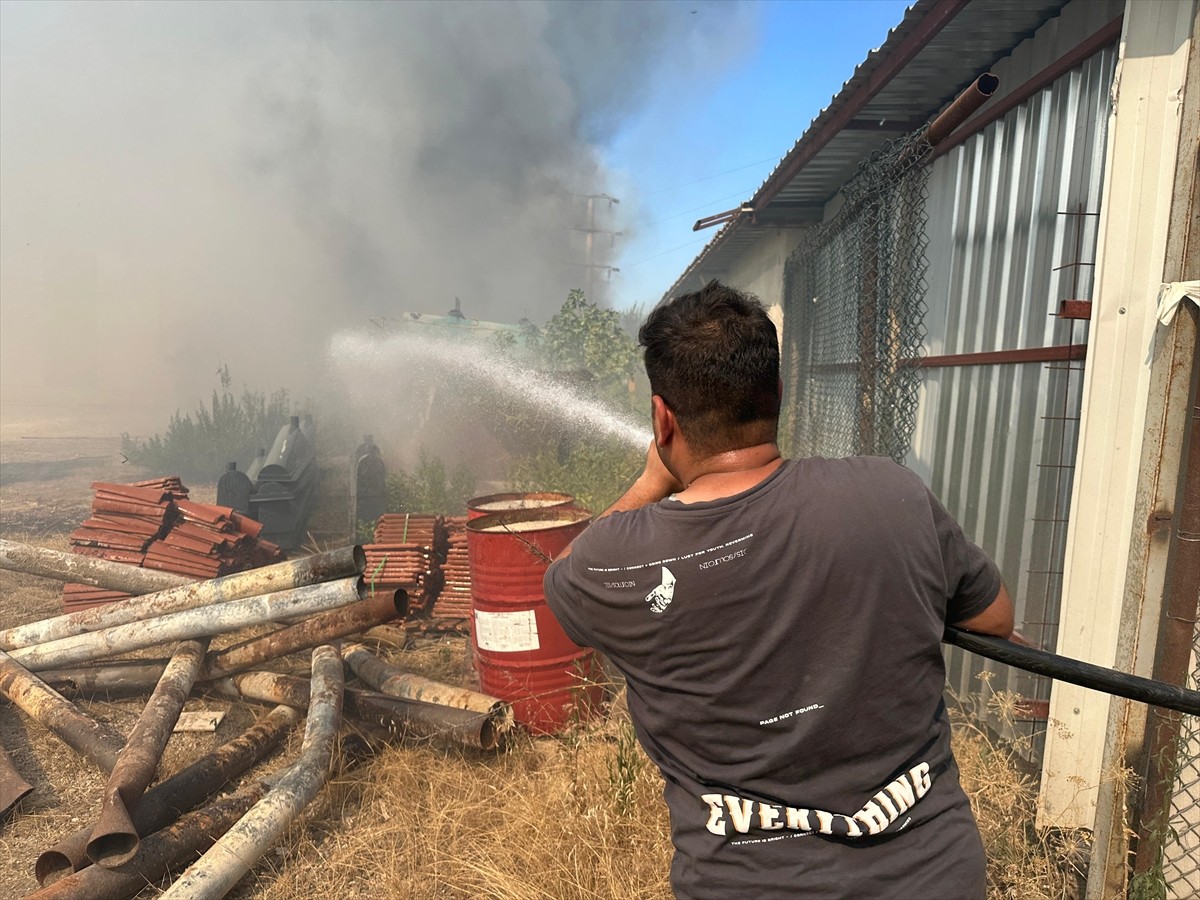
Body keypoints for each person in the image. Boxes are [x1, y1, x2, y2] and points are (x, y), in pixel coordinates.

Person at [543, 280, 1014, 899]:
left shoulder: (617, 559)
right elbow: (995, 619)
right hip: (937, 879)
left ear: (663, 419)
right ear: (780, 396)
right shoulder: (889, 492)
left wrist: (651, 476)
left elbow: (563, 578)